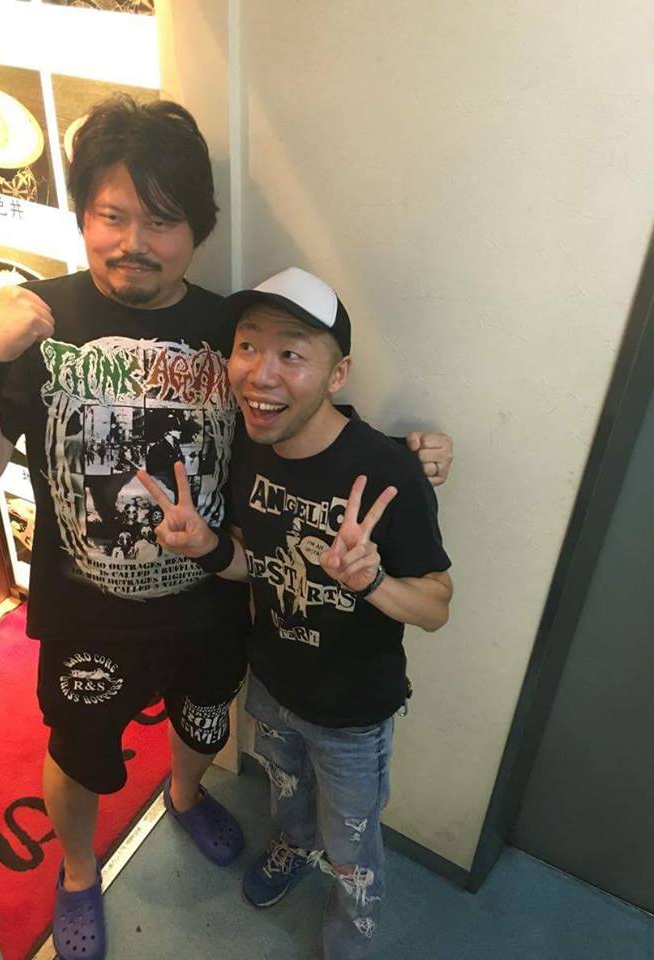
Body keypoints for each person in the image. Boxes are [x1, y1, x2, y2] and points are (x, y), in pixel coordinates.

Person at [0, 96, 452, 960]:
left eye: (162, 220)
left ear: (197, 230)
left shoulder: (227, 330)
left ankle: (182, 795)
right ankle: (76, 870)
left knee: (204, 721)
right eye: (112, 215)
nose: (134, 241)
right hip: (86, 613)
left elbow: (293, 413)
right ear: (82, 215)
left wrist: (402, 453)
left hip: (211, 595)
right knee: (79, 750)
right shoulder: (36, 323)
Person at [138, 266, 453, 959]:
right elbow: (254, 561)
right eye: (248, 347)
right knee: (285, 795)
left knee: (353, 845)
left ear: (337, 374)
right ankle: (293, 845)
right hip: (272, 684)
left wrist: (372, 582)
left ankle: (350, 932)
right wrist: (204, 546)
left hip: (352, 713)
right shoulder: (249, 448)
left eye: (291, 353)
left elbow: (436, 606)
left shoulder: (387, 473)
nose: (262, 373)